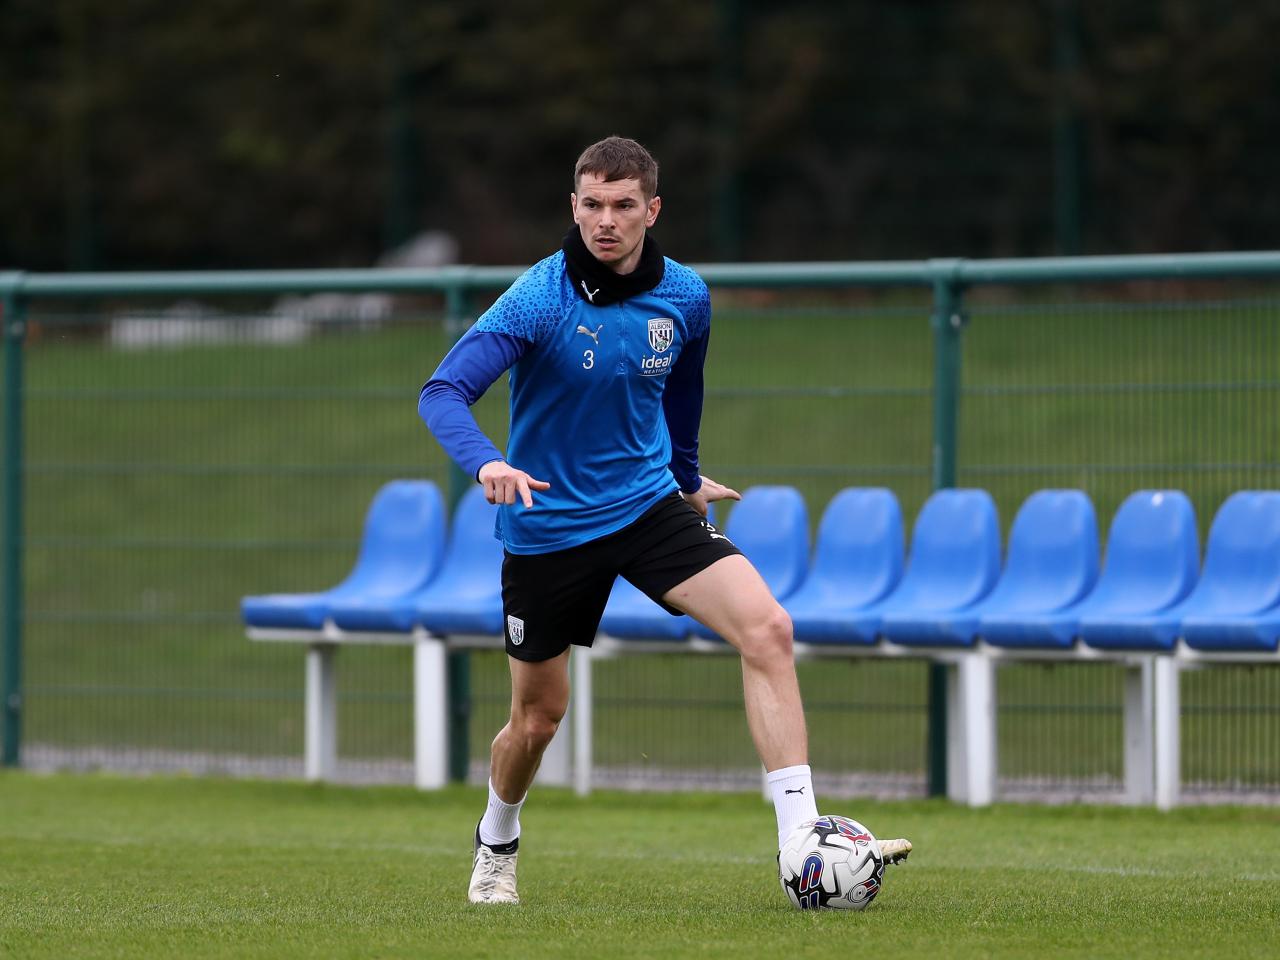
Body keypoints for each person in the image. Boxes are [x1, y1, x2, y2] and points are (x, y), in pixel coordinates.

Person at [419, 136, 911, 905]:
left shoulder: (684, 296)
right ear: (572, 206)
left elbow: (682, 397)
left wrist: (684, 480)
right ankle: (497, 841)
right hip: (547, 526)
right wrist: (487, 462)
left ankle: (800, 840)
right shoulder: (539, 299)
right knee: (538, 721)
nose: (604, 221)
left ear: (652, 210)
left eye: (622, 206)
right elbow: (442, 392)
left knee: (768, 628)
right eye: (591, 204)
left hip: (648, 507)